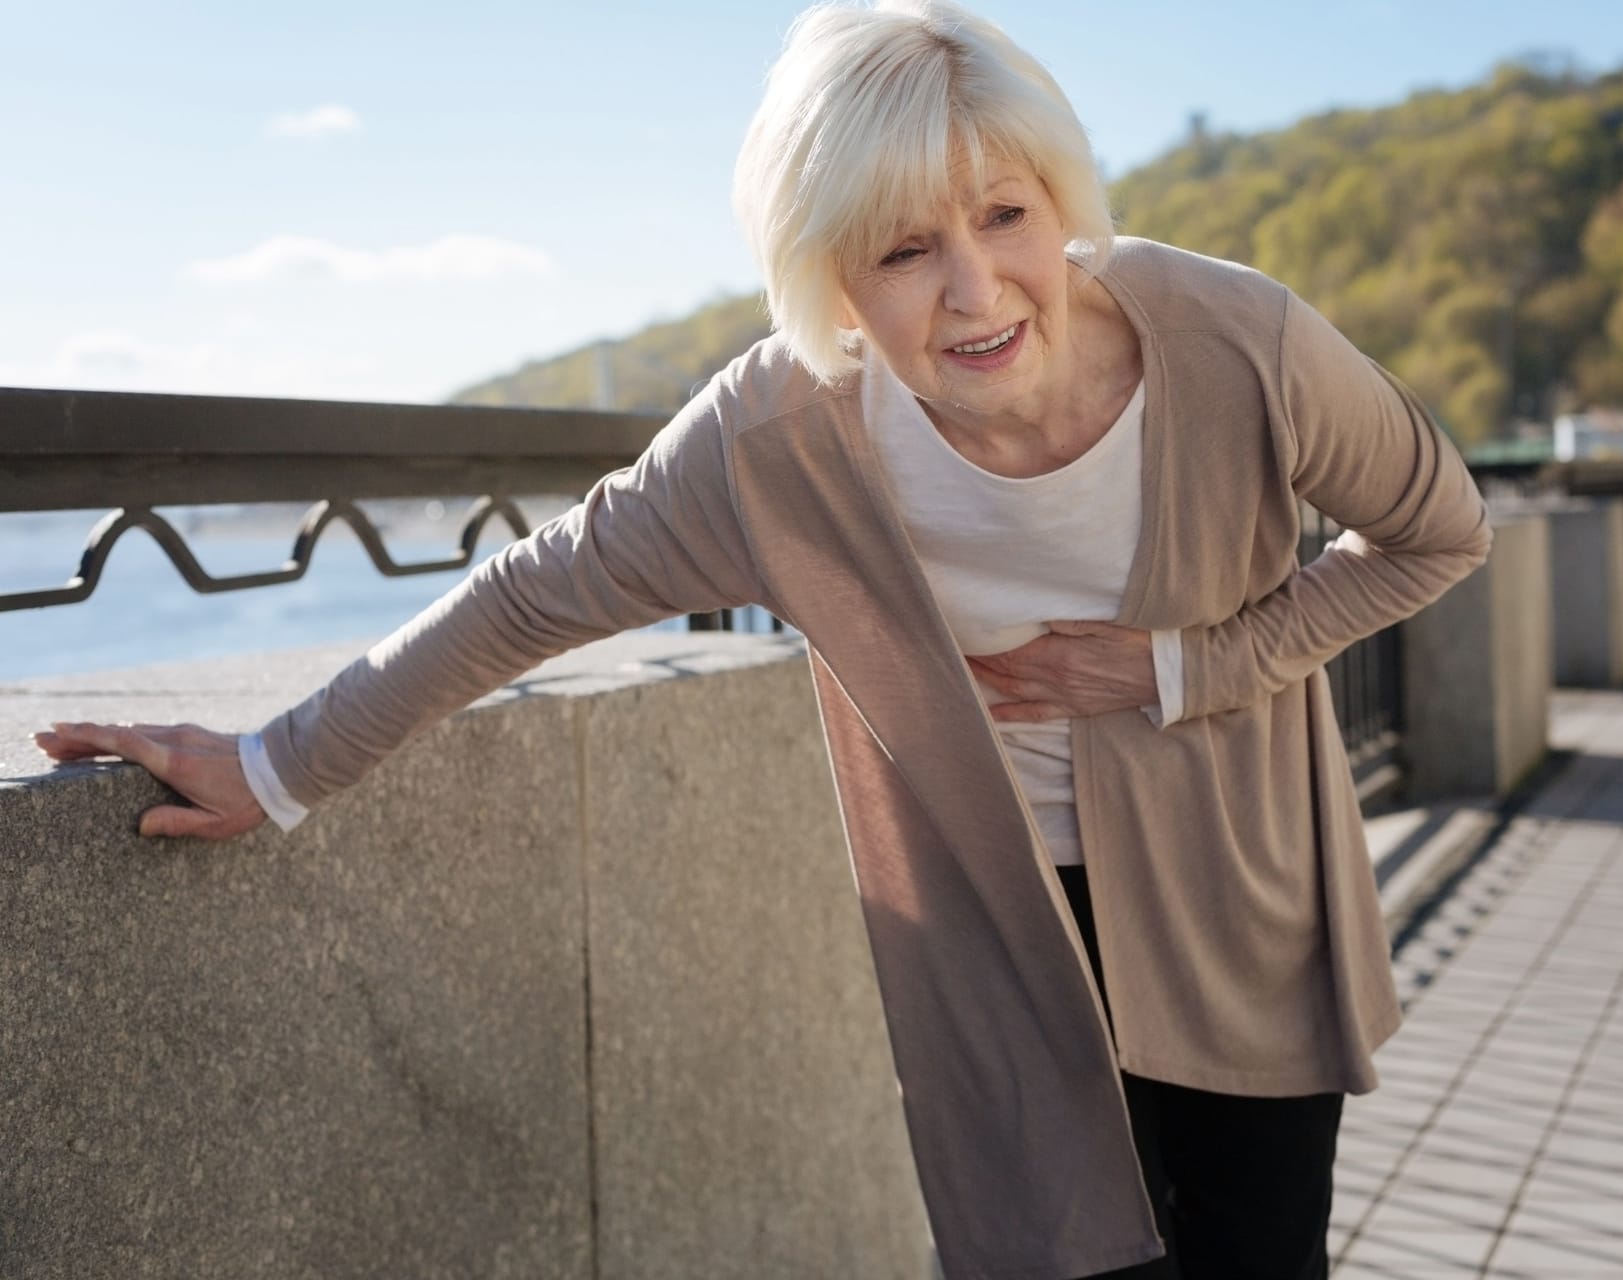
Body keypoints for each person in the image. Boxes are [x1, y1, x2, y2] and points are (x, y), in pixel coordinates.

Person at [36, 3, 1492, 1277]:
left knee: (1258, 1255)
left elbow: (1440, 532)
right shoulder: (779, 435)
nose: (976, 291)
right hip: (992, 929)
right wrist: (273, 765)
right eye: (904, 248)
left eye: (1005, 215)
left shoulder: (1238, 341)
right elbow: (532, 592)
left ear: (1061, 199)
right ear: (831, 274)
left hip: (1235, 889)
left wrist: (1177, 667)